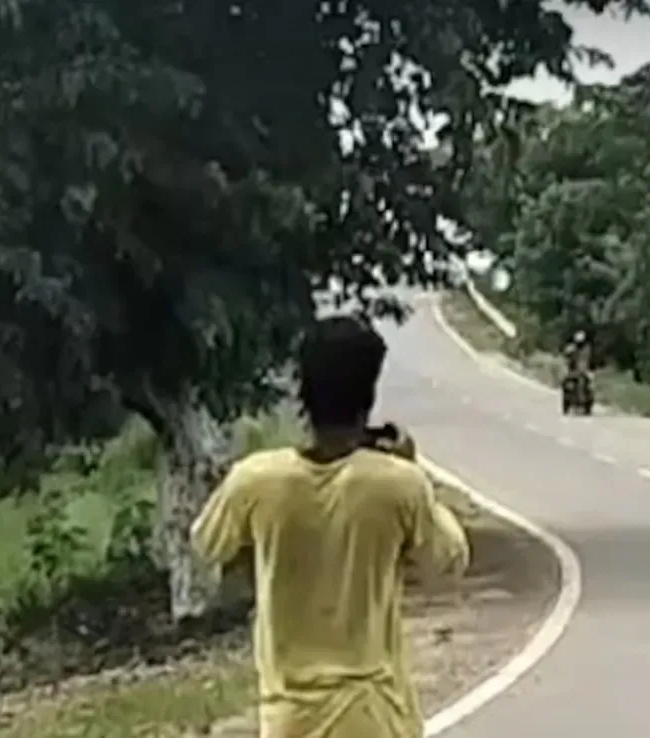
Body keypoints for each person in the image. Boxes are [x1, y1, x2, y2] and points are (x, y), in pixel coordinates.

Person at [190, 315, 471, 738]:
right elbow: (449, 560)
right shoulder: (396, 482)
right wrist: (413, 468)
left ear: (302, 392)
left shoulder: (255, 480)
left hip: (289, 717)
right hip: (375, 714)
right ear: (369, 395)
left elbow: (206, 544)